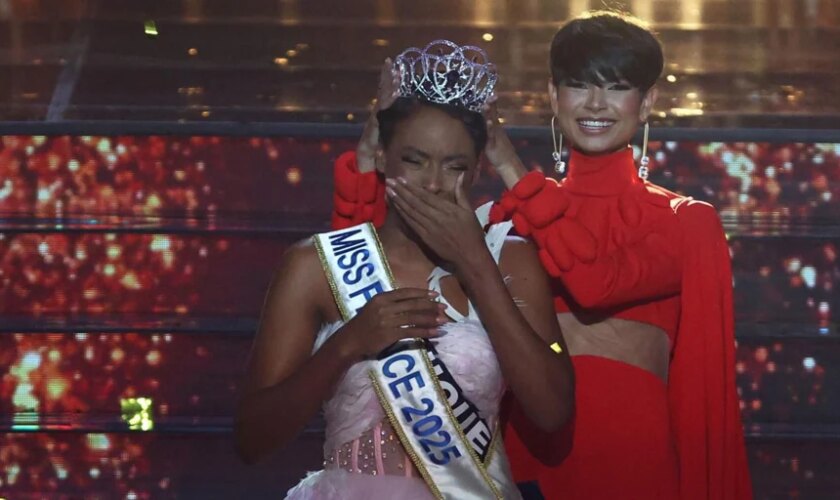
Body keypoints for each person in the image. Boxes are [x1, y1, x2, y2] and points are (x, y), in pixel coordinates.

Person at [329, 11, 753, 500]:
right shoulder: (503, 218)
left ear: (648, 101)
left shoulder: (682, 221)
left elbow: (595, 283)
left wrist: (507, 162)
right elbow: (365, 279)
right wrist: (369, 153)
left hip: (634, 468)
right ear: (553, 96)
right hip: (523, 459)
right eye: (578, 85)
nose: (596, 103)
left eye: (615, 86)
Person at [235, 40, 574, 499]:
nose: (433, 184)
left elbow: (553, 411)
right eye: (414, 161)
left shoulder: (508, 258)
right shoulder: (315, 264)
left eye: (453, 166)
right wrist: (348, 343)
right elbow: (253, 440)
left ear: (476, 171)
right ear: (381, 157)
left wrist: (476, 265)